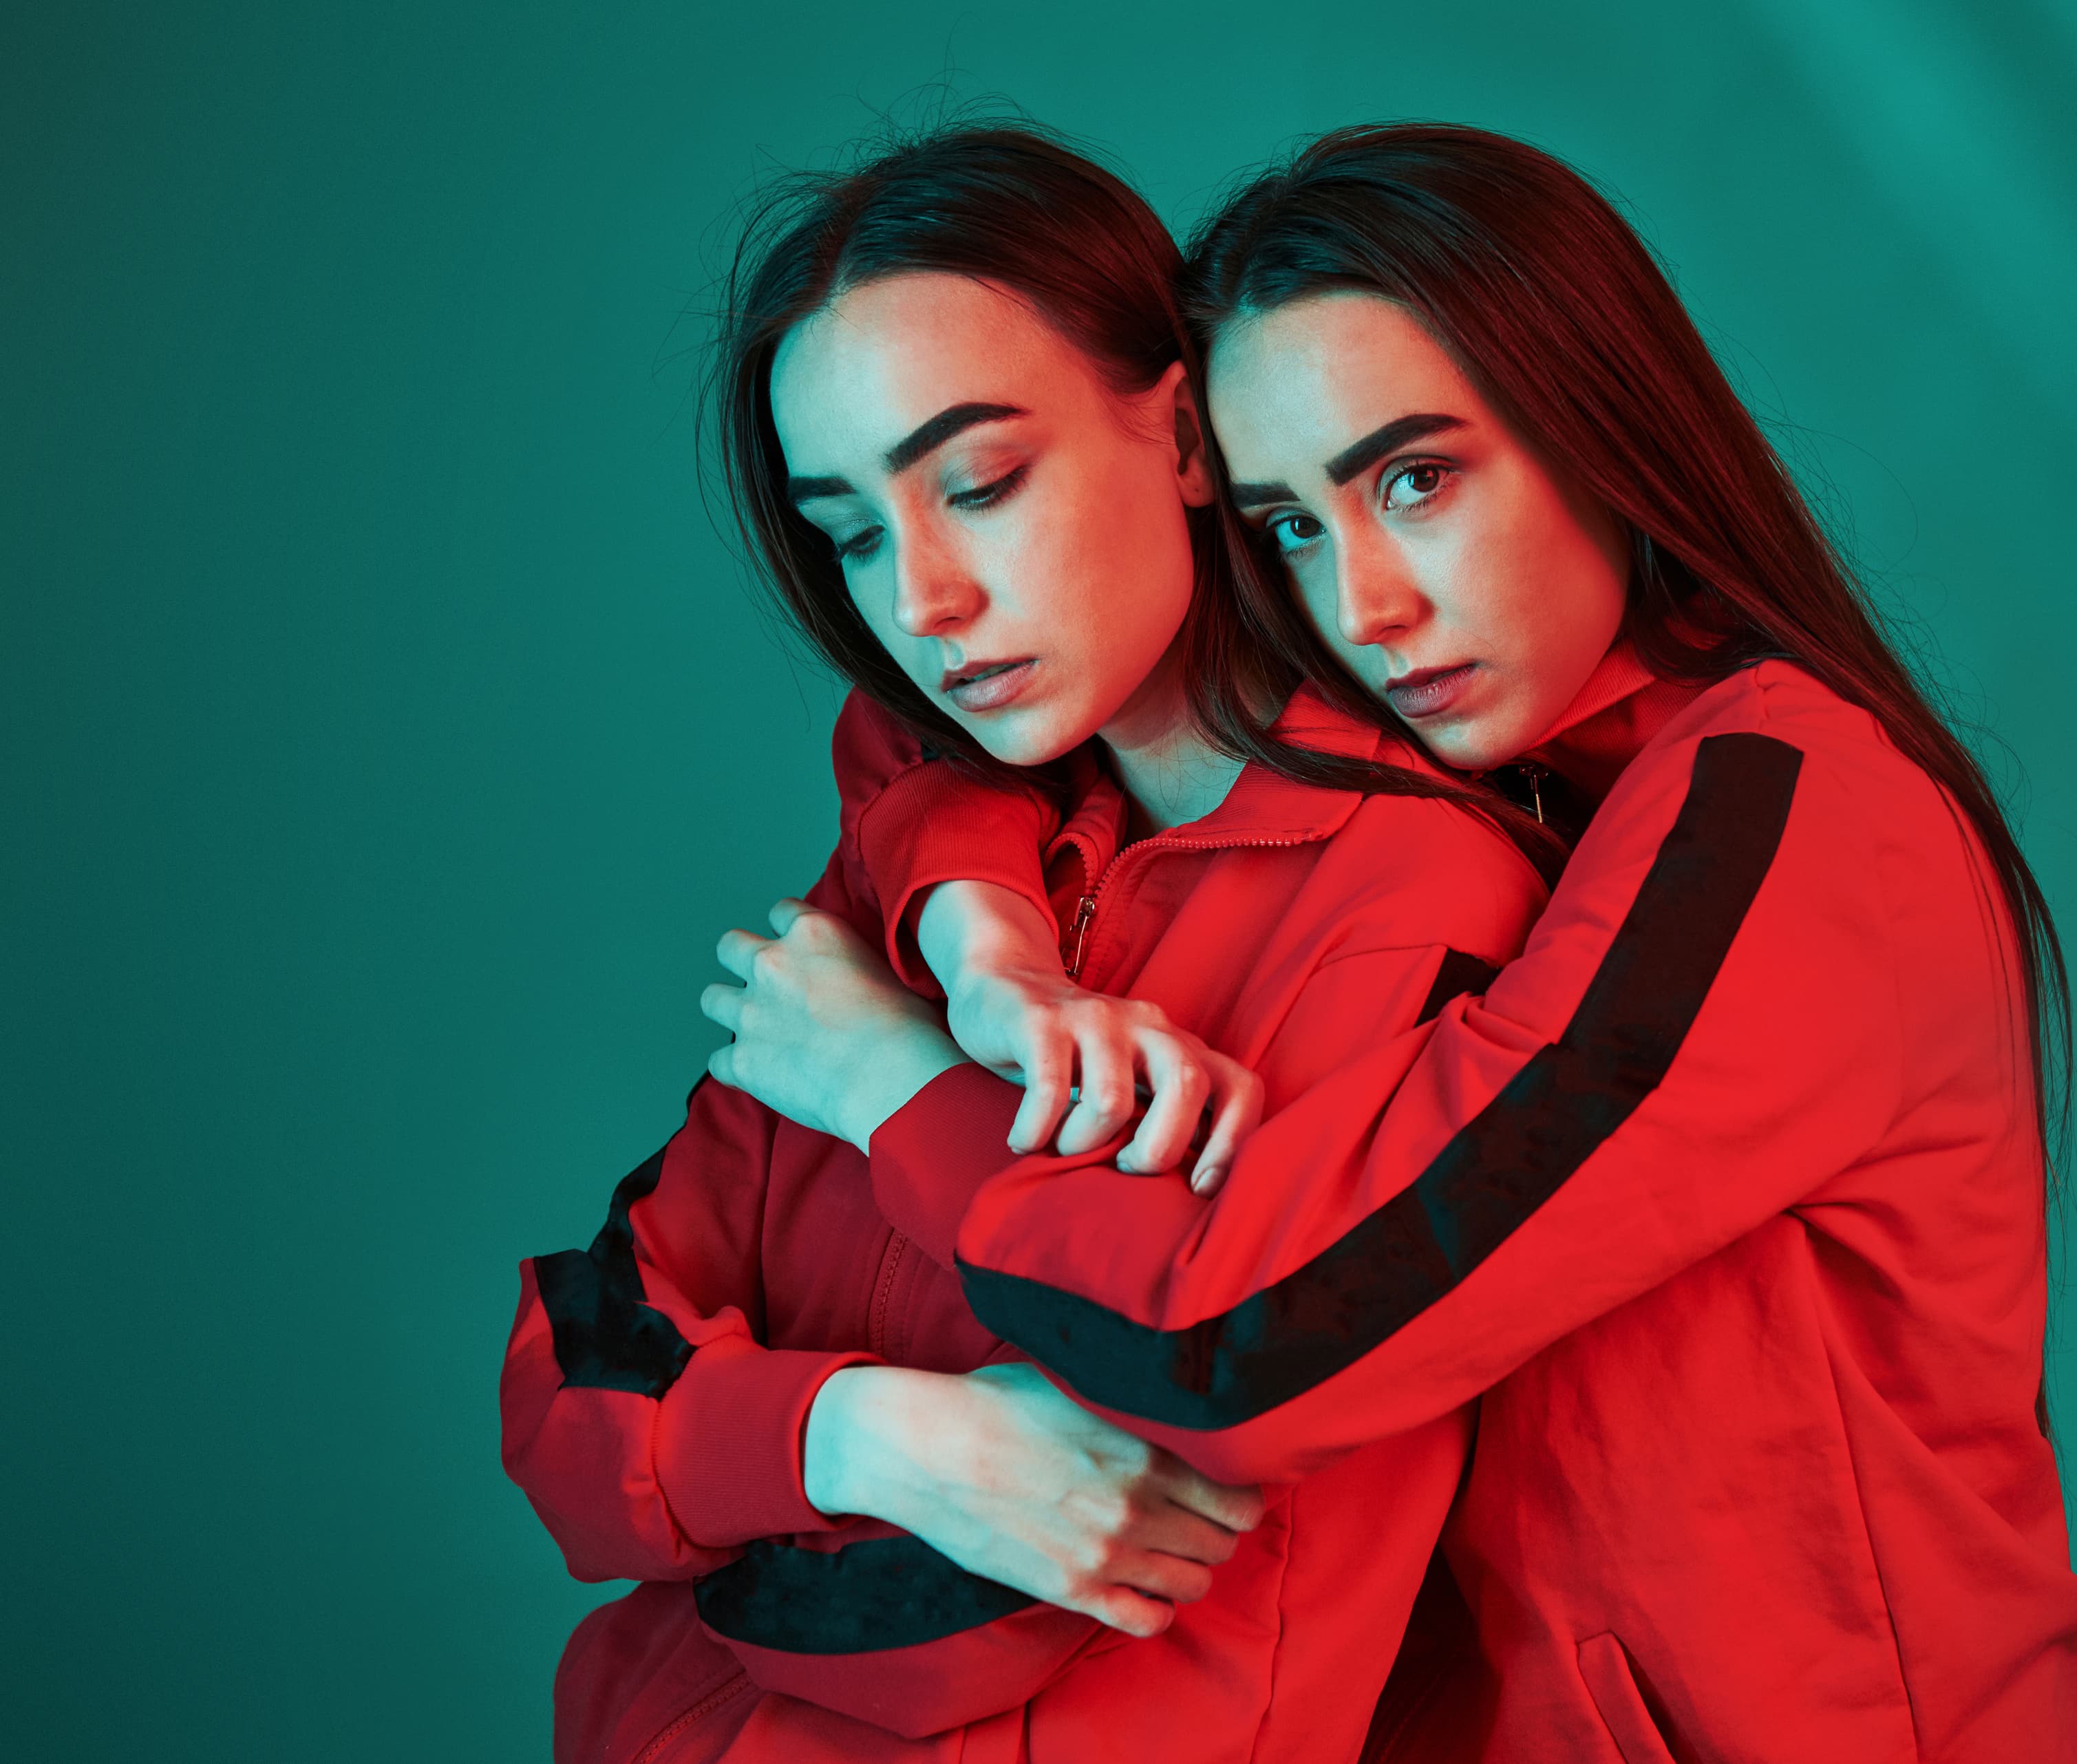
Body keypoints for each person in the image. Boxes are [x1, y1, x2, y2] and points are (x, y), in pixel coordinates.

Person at [710, 125, 2077, 1761]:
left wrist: (897, 1089)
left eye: (1415, 480)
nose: (1367, 605)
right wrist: (986, 945)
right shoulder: (1505, 782)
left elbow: (1253, 1342)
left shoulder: (1786, 815)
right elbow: (944, 729)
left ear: (1597, 423)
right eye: (1291, 525)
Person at [498, 124, 1550, 1763]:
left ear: (1185, 433)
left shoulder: (1413, 903)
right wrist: (870, 1438)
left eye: (979, 484)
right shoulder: (914, 878)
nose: (921, 598)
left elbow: (1002, 1611)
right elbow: (569, 1397)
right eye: (851, 531)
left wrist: (729, 1482)